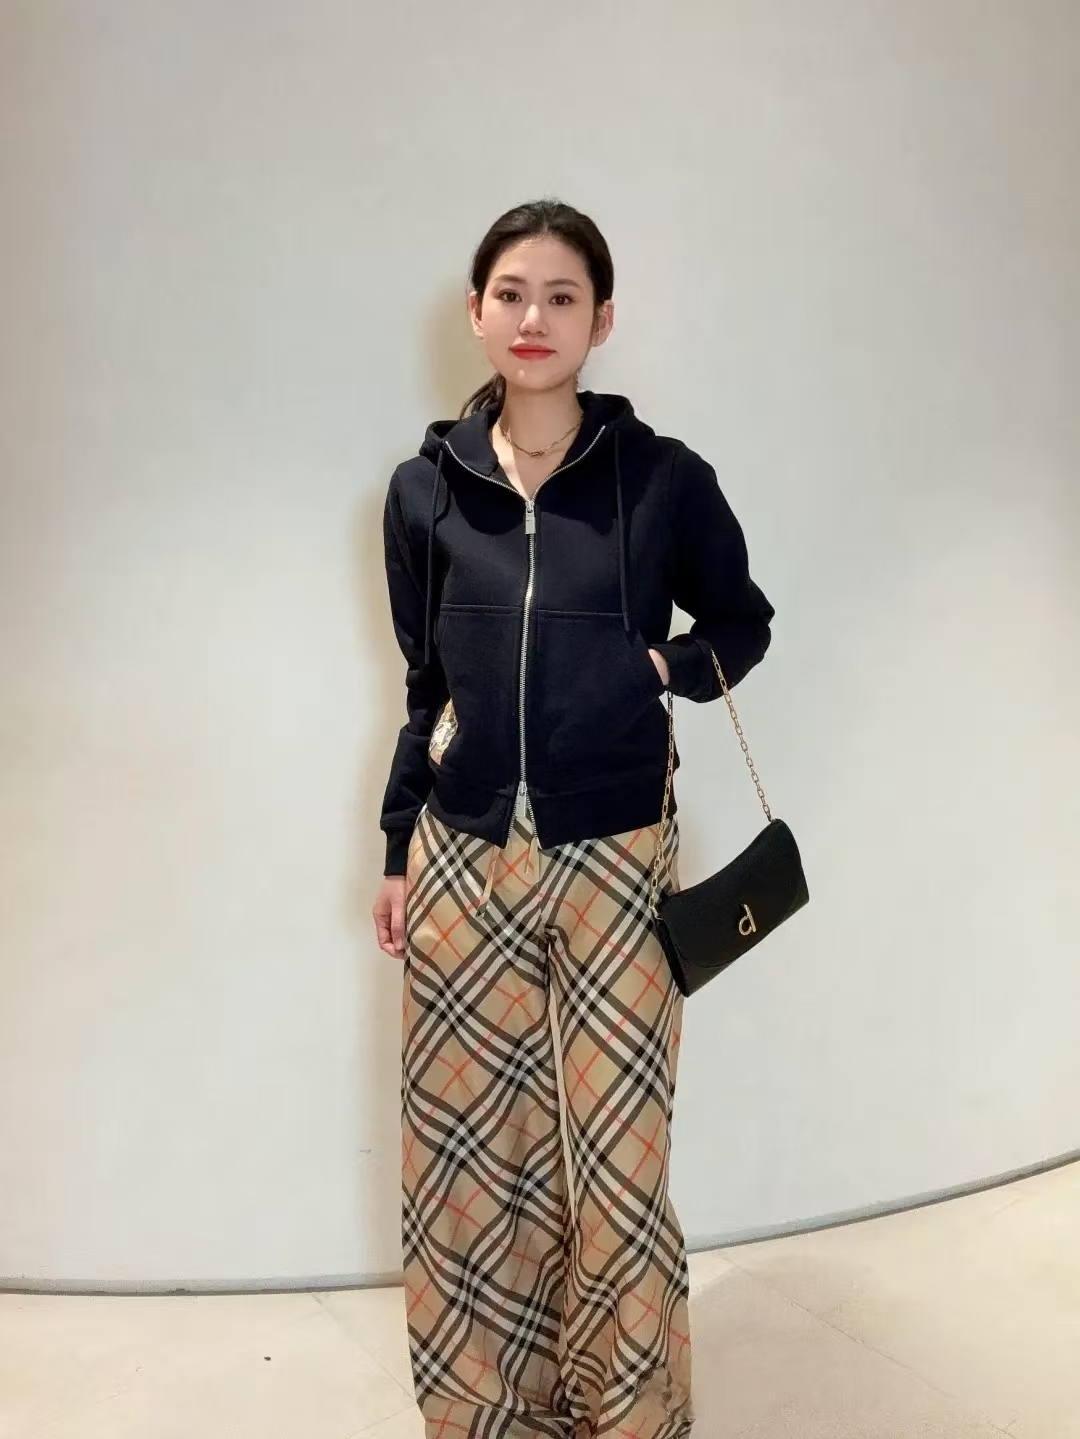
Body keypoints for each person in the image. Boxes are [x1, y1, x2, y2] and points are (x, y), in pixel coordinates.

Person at [372, 197, 774, 1439]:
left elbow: (744, 622)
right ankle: (489, 1415)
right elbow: (425, 684)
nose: (533, 316)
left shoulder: (662, 480)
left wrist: (661, 666)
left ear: (602, 319)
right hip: (461, 852)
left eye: (561, 295)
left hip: (618, 858)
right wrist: (396, 845)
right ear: (476, 312)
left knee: (618, 1161)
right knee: (465, 1161)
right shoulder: (424, 491)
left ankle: (633, 1415)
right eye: (511, 293)